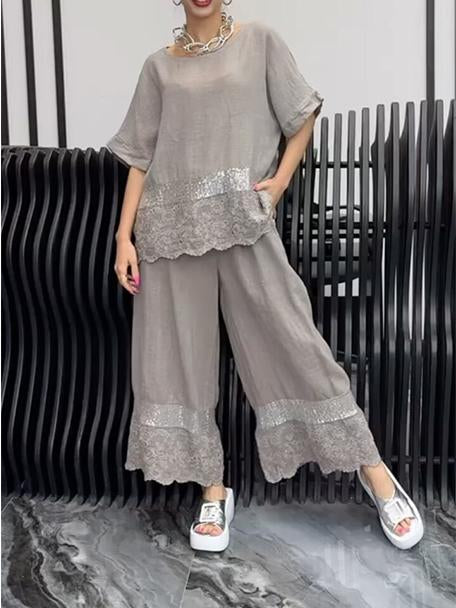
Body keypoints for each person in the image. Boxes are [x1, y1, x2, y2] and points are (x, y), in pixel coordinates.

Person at [106, 0, 423, 552]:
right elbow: (140, 155)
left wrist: (277, 184)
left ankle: (374, 471)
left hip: (242, 222)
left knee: (292, 340)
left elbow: (303, 116)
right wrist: (122, 237)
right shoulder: (158, 66)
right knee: (176, 363)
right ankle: (213, 489)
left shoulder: (260, 42)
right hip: (169, 231)